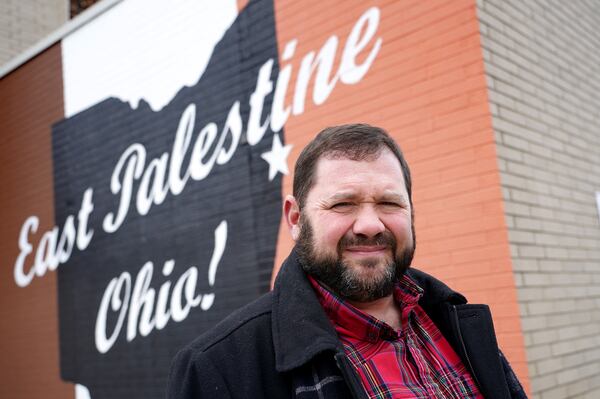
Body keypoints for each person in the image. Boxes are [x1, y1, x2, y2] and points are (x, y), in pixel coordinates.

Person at [167, 124, 527, 399]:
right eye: (342, 204)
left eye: (390, 203)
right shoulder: (220, 368)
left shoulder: (458, 322)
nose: (370, 225)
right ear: (295, 218)